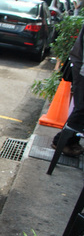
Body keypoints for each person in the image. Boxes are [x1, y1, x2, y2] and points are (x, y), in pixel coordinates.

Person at [52, 22, 84, 157]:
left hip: (80, 65)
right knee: (82, 108)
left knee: (81, 108)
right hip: (81, 68)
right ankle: (62, 141)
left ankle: (69, 141)